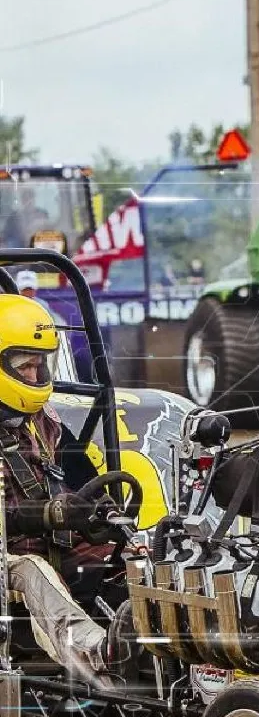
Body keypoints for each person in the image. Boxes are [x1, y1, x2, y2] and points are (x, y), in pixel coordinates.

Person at [0, 294, 133, 686]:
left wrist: (100, 514)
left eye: (41, 363)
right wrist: (46, 515)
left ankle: (172, 647)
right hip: (11, 559)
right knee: (32, 569)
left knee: (135, 557)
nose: (36, 375)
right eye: (25, 365)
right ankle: (97, 650)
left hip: (56, 545)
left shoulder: (48, 424)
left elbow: (84, 483)